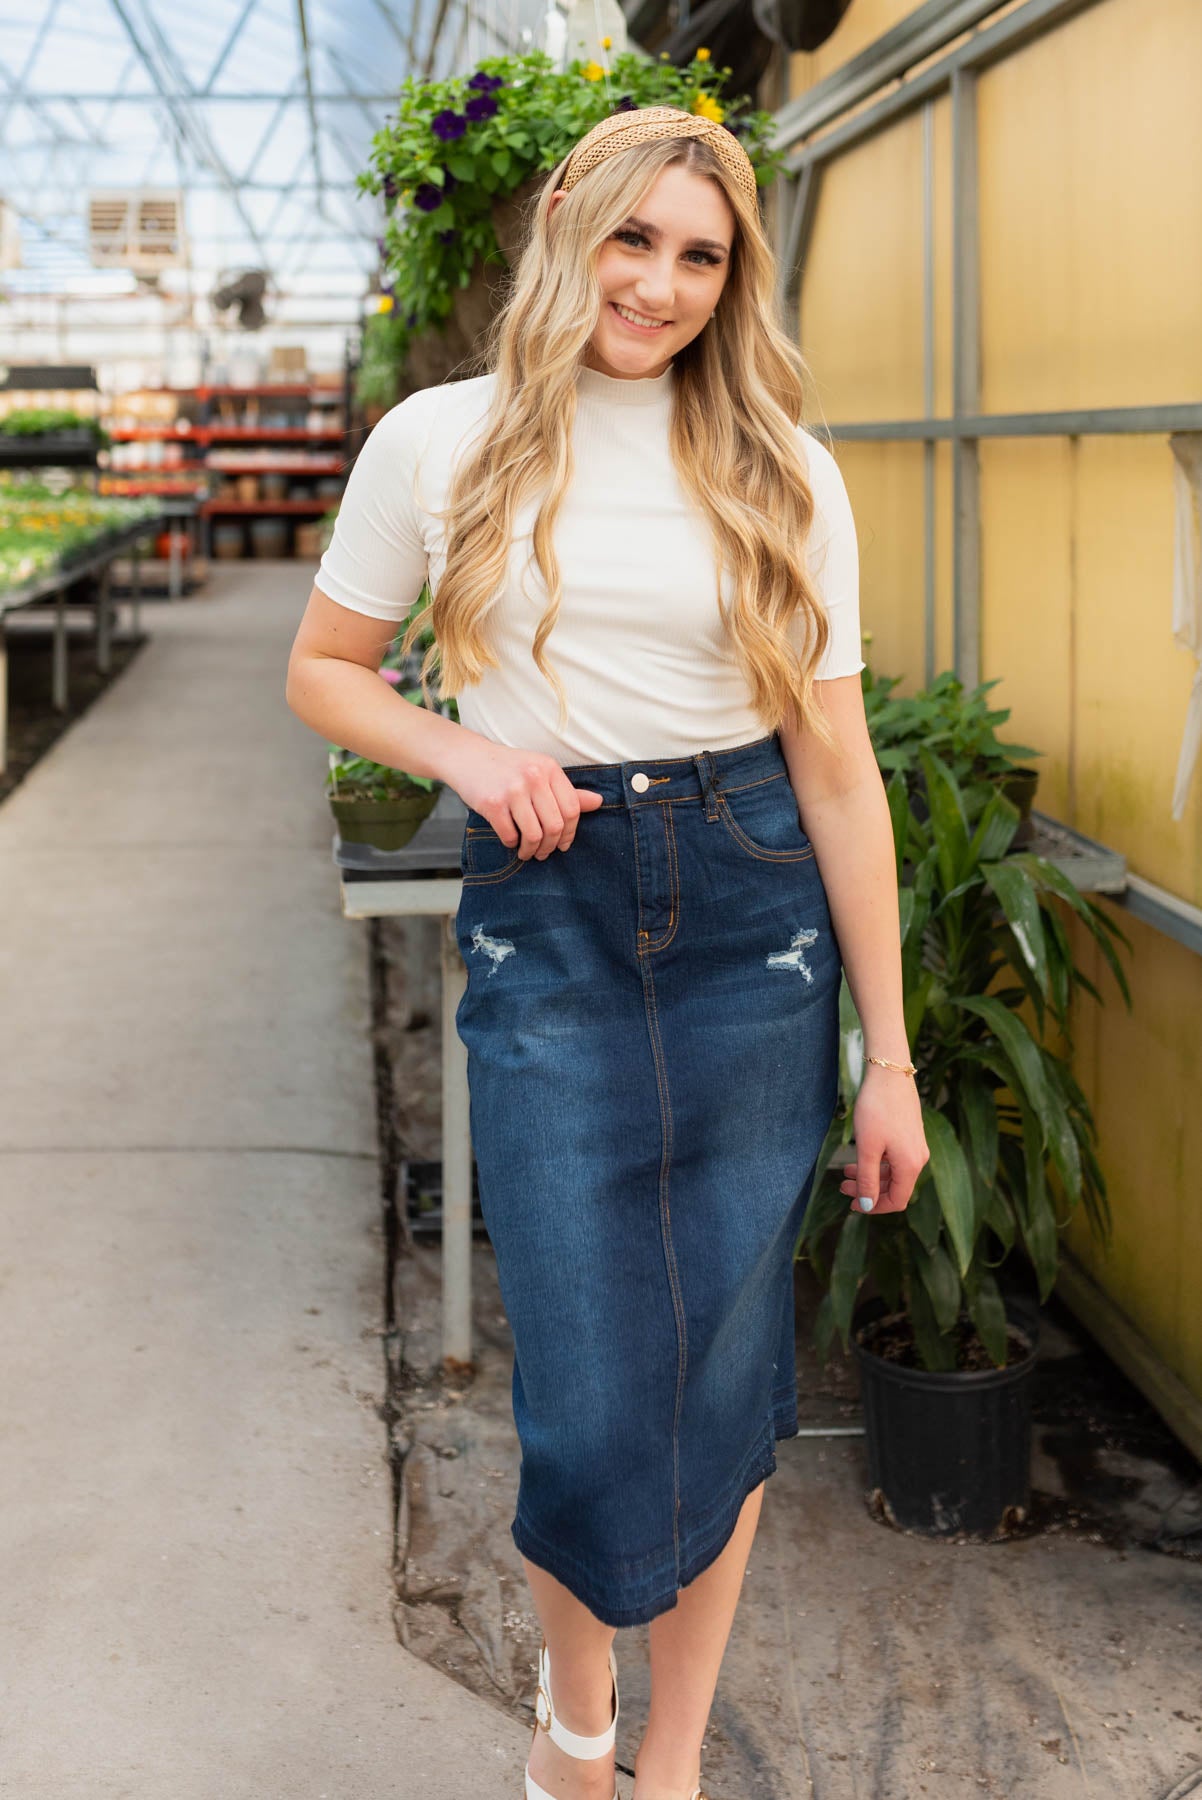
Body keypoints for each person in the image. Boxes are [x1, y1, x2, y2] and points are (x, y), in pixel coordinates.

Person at [286, 102, 929, 1800]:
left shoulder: (782, 465)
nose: (656, 283)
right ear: (566, 217)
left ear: (732, 281)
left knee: (718, 1369)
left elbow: (841, 779)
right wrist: (472, 754)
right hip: (551, 903)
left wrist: (894, 1061)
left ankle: (678, 1760)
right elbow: (328, 670)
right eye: (633, 238)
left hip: (750, 914)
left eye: (698, 256)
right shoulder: (439, 438)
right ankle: (577, 1732)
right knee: (581, 1373)